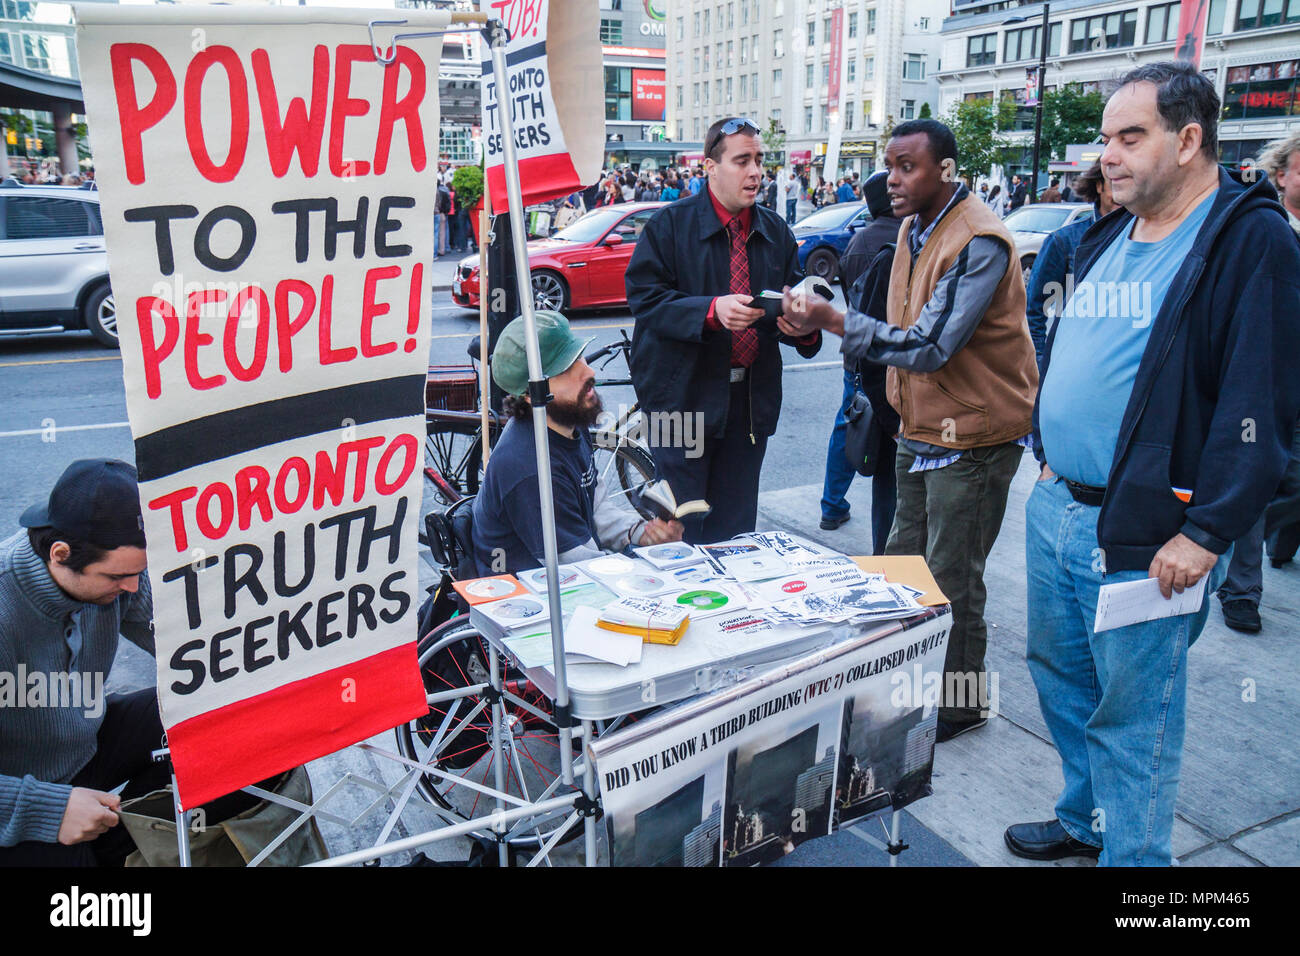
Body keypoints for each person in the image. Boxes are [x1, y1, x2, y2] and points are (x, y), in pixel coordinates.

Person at [1011, 62, 1300, 866]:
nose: (1109, 154)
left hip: (1149, 529)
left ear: (1190, 140)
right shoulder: (1107, 232)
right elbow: (1070, 350)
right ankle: (1085, 820)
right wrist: (1045, 452)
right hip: (1058, 505)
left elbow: (1263, 399)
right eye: (1106, 138)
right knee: (1062, 682)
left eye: (1130, 136)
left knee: (1134, 716)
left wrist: (1206, 532)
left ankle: (1138, 872)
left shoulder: (1250, 238)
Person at [780, 118, 1038, 744]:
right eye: (889, 166)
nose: (890, 178)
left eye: (906, 167)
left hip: (971, 439)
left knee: (952, 578)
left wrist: (837, 322)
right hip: (917, 428)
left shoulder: (981, 239)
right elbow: (897, 318)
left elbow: (929, 344)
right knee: (900, 570)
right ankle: (910, 680)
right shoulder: (909, 228)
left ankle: (960, 704)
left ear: (944, 170)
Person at [625, 116, 822, 544]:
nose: (755, 172)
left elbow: (795, 303)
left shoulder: (775, 230)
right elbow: (645, 299)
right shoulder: (668, 227)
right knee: (680, 533)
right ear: (710, 167)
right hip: (682, 404)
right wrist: (712, 311)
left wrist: (803, 327)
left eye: (759, 160)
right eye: (742, 161)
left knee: (735, 535)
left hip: (748, 406)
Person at [0, 460, 158, 865]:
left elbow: (183, 640)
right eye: (116, 577)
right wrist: (49, 809)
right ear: (60, 553)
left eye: (138, 572)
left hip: (85, 741)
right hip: (18, 785)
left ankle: (111, 841)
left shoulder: (121, 570)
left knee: (219, 719)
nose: (132, 587)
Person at [472, 312, 683, 576]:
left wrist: (641, 533)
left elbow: (596, 503)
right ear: (530, 394)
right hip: (530, 598)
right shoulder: (529, 468)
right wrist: (641, 561)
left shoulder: (568, 422)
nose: (589, 371)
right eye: (567, 368)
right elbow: (579, 566)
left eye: (579, 357)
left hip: (571, 577)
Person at [819, 170, 903, 548]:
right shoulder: (905, 241)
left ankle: (832, 504)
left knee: (850, 424)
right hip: (891, 356)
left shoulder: (858, 243)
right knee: (888, 447)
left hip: (856, 354)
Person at [1024, 161, 1119, 368]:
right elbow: (1034, 308)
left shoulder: (1146, 238)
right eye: (1115, 183)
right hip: (1072, 363)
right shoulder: (1064, 241)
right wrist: (1041, 364)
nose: (1122, 194)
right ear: (1099, 186)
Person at [434, 180, 451, 259]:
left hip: (436, 213)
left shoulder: (434, 192)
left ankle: (435, 252)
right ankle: (442, 249)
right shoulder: (443, 192)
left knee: (435, 234)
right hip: (440, 213)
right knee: (441, 233)